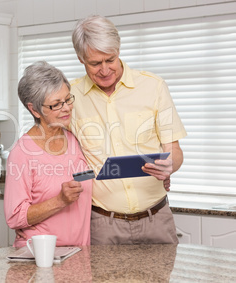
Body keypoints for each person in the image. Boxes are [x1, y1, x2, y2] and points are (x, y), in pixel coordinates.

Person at [69, 15, 187, 245]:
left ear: (118, 49)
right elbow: (67, 160)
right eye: (95, 63)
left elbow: (174, 150)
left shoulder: (153, 87)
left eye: (110, 59)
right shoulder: (71, 97)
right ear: (81, 59)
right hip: (102, 224)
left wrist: (169, 166)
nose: (105, 70)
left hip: (157, 218)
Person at [4, 61, 92, 248]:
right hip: (39, 256)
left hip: (79, 255)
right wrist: (59, 201)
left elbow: (87, 177)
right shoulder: (22, 154)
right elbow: (14, 217)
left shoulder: (75, 140)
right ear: (34, 110)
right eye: (56, 105)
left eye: (68, 99)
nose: (67, 108)